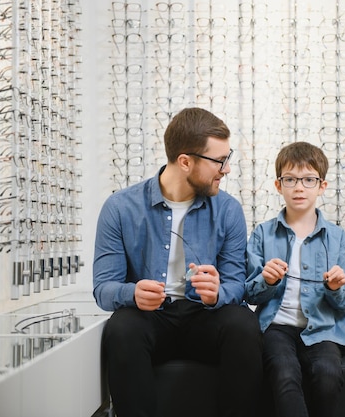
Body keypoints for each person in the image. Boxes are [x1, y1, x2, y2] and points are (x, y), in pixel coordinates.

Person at [93, 107, 263, 417]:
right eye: (219, 161)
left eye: (228, 158)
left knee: (244, 325)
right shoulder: (119, 208)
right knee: (121, 328)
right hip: (151, 319)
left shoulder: (228, 210)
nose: (225, 169)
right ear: (185, 161)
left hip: (204, 317)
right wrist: (132, 293)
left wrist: (218, 293)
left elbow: (237, 284)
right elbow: (103, 288)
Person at [245, 141, 345, 417]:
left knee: (328, 373)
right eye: (290, 179)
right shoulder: (263, 234)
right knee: (284, 374)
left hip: (323, 328)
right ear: (277, 184)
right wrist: (267, 281)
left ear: (322, 186)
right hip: (276, 327)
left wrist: (335, 288)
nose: (298, 187)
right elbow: (249, 293)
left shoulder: (337, 237)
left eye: (309, 180)